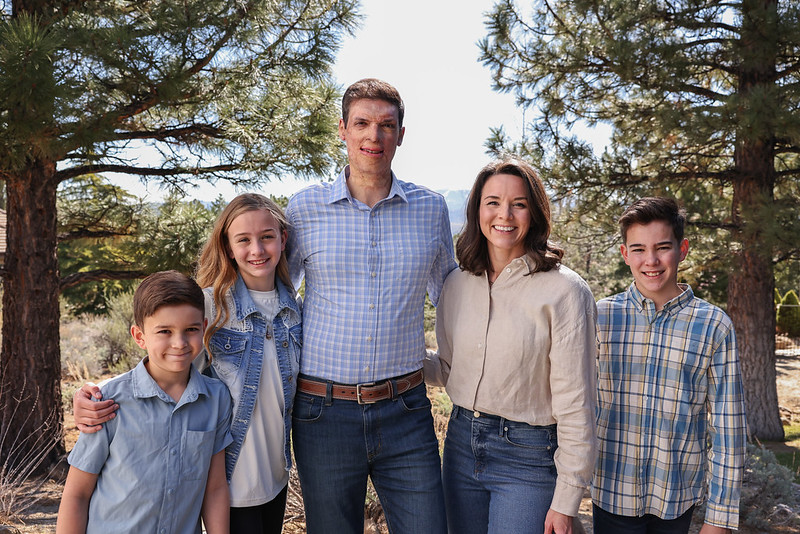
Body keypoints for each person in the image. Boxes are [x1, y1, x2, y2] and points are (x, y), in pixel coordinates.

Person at [73, 194, 303, 534]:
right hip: (225, 482)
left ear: (283, 239)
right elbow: (161, 360)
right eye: (243, 239)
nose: (257, 249)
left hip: (274, 477)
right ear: (227, 246)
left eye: (266, 237)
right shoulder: (212, 306)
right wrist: (91, 394)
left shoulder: (294, 310)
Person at [285, 78, 456, 534]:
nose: (372, 136)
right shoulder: (303, 209)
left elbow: (453, 299)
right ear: (342, 129)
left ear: (401, 133)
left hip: (406, 410)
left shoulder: (431, 209)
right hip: (323, 412)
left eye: (386, 125)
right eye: (361, 123)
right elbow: (272, 297)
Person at [424, 158, 597, 534]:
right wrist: (393, 356)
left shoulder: (564, 291)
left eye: (518, 203)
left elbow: (577, 403)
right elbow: (449, 369)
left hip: (529, 458)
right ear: (477, 210)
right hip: (460, 444)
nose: (505, 214)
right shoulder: (457, 284)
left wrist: (567, 499)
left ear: (534, 212)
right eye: (493, 202)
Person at [592, 197, 747, 534]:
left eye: (662, 247)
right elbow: (573, 409)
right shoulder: (600, 317)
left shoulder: (713, 326)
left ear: (683, 249)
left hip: (676, 501)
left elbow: (728, 430)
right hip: (610, 495)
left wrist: (718, 519)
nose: (651, 260)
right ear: (624, 254)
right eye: (638, 249)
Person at [57, 270, 233, 534]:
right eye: (164, 331)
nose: (179, 343)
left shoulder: (216, 398)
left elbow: (215, 487)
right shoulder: (107, 402)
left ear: (204, 327)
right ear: (139, 336)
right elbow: (77, 494)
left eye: (191, 329)